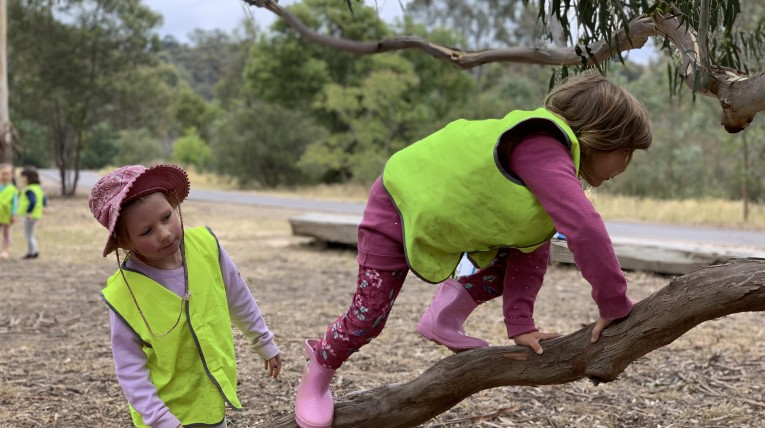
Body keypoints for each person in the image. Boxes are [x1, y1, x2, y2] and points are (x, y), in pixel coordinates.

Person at [294, 70, 652, 428]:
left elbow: (532, 246)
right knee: (367, 317)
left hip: (444, 220)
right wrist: (613, 303)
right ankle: (319, 371)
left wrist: (521, 324)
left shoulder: (553, 165)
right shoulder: (540, 144)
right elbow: (585, 229)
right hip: (397, 207)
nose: (625, 165)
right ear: (601, 137)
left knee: (505, 262)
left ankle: (444, 318)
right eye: (627, 152)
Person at [88, 164, 282, 428]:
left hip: (209, 398)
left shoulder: (205, 245)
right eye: (146, 231)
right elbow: (130, 368)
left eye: (166, 217)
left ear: (173, 204)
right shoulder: (124, 293)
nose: (164, 233)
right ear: (123, 242)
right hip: (164, 411)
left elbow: (238, 295)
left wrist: (262, 340)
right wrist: (160, 419)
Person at [18, 167, 47, 259]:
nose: (22, 179)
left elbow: (32, 201)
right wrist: (43, 207)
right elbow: (44, 199)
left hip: (30, 215)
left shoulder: (29, 189)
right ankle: (33, 251)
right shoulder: (38, 188)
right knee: (31, 234)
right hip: (36, 214)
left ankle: (32, 252)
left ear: (27, 178)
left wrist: (29, 212)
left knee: (28, 235)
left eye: (23, 177)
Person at [0, 163, 19, 258]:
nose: (5, 176)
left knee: (6, 234)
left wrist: (13, 214)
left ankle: (5, 251)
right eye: (3, 173)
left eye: (7, 174)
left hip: (6, 215)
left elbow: (14, 204)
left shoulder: (12, 189)